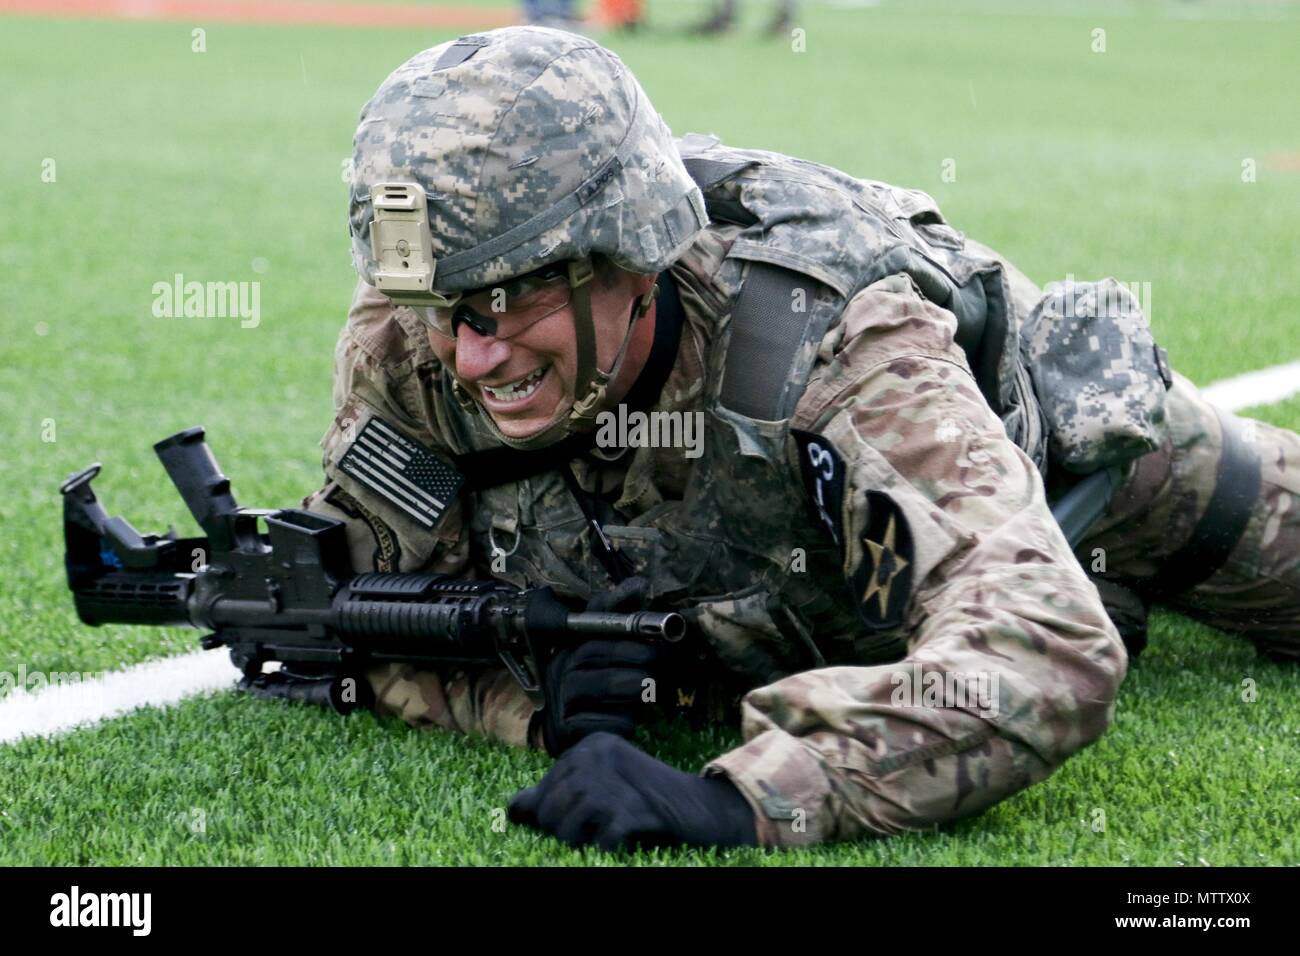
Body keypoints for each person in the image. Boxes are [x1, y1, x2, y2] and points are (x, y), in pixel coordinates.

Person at [300, 26, 1299, 851]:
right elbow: (368, 620)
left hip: (1076, 468)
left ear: (629, 253)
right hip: (822, 601)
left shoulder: (827, 340)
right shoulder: (408, 348)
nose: (471, 355)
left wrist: (740, 798)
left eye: (511, 298)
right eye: (439, 305)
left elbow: (1042, 648)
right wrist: (535, 698)